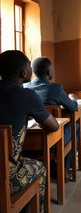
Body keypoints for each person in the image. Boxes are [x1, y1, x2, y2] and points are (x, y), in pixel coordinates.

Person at [0, 50, 59, 212]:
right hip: (6, 176)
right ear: (24, 72)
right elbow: (53, 126)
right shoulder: (26, 95)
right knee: (39, 168)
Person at [23, 57, 79, 181]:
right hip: (52, 141)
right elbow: (72, 107)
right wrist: (73, 99)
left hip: (27, 140)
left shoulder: (24, 86)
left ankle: (52, 165)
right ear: (49, 72)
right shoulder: (56, 88)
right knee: (76, 127)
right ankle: (65, 168)